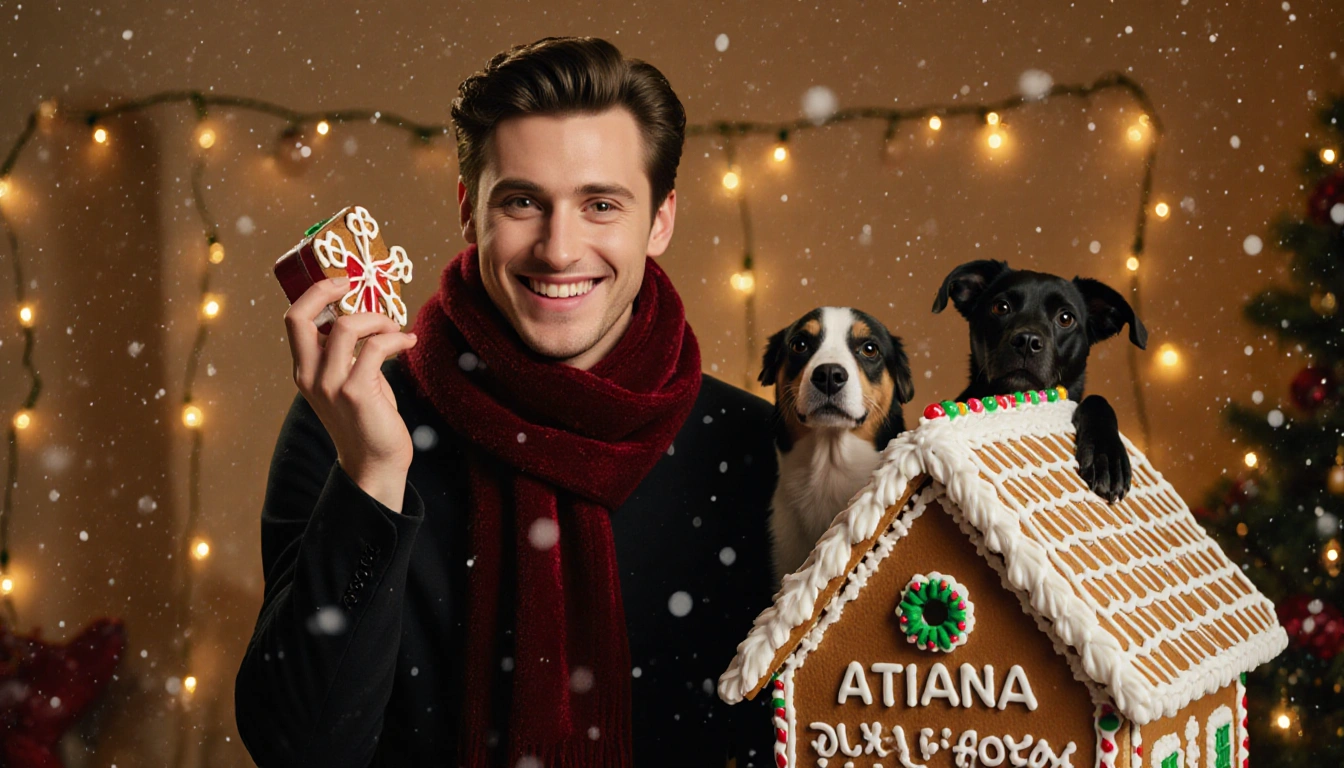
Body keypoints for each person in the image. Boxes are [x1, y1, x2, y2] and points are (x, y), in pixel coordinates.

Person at [234, 36, 778, 767]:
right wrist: (372, 479)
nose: (558, 249)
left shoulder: (752, 447)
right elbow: (299, 749)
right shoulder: (355, 418)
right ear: (469, 211)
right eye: (522, 202)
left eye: (601, 205)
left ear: (660, 221)